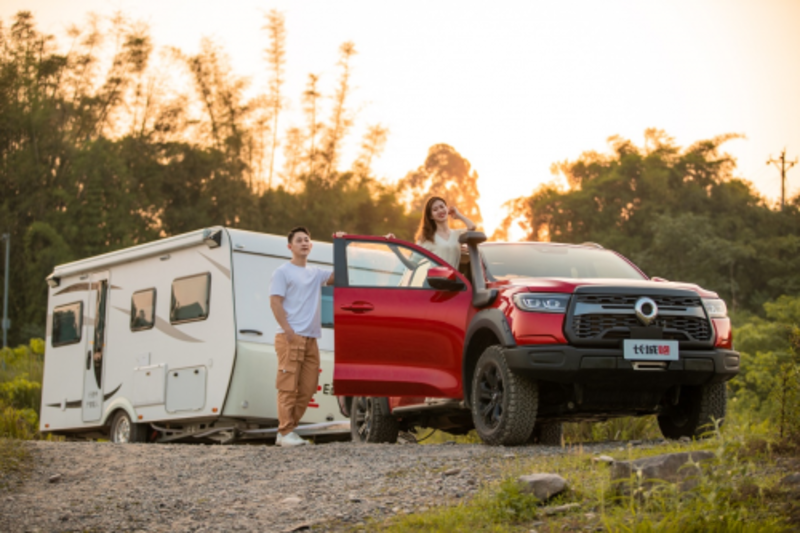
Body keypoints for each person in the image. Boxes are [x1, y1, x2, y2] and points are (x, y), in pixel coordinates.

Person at [269, 226, 335, 447]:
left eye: (307, 240)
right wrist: (287, 329)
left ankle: (287, 431)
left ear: (311, 245)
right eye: (299, 241)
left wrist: (344, 244)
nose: (304, 243)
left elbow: (337, 276)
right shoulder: (283, 272)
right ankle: (285, 431)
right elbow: (275, 302)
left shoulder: (316, 273)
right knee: (288, 386)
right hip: (290, 337)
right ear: (290, 246)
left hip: (311, 339)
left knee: (308, 388)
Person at [414, 196, 477, 269]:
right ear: (431, 216)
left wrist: (458, 215)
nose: (440, 211)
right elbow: (413, 262)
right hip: (435, 279)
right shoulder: (427, 238)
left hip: (454, 279)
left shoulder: (457, 234)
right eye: (435, 209)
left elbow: (472, 227)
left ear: (447, 209)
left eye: (442, 207)